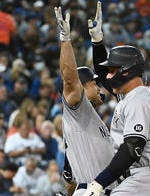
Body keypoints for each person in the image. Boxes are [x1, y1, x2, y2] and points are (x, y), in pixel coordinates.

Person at [83, 2, 150, 196]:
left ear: (127, 72)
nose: (107, 76)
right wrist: (97, 42)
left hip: (143, 182)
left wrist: (99, 183)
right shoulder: (130, 96)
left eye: (113, 70)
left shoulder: (140, 100)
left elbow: (133, 148)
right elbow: (104, 74)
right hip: (132, 181)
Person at [53, 6, 116, 196]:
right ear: (82, 87)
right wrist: (65, 40)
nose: (99, 86)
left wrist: (98, 42)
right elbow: (70, 80)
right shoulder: (77, 109)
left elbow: (68, 180)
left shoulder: (87, 118)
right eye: (93, 83)